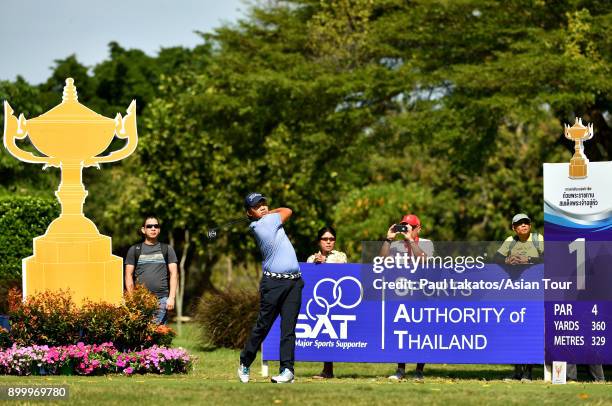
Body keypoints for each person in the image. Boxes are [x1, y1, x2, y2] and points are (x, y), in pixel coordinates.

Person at [238, 192, 304, 384]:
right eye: (258, 206)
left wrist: (265, 213)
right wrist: (267, 215)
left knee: (288, 329)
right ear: (250, 212)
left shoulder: (268, 219)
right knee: (263, 326)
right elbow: (287, 210)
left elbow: (284, 211)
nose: (263, 207)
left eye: (264, 203)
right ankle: (245, 362)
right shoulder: (263, 225)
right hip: (274, 284)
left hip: (293, 282)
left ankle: (287, 371)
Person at [380, 214, 434, 382]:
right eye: (403, 225)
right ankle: (401, 369)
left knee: (421, 332)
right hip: (401, 293)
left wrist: (411, 240)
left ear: (418, 228)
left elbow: (424, 261)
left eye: (410, 226)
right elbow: (381, 260)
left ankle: (419, 370)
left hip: (421, 294)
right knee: (401, 331)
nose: (406, 229)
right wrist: (388, 240)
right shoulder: (396, 245)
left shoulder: (426, 243)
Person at [496, 213, 544, 381]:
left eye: (526, 223)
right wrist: (508, 260)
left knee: (530, 332)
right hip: (514, 293)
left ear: (530, 226)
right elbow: (496, 258)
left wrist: (527, 259)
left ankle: (528, 372)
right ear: (513, 227)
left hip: (534, 293)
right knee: (514, 332)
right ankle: (517, 372)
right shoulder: (510, 241)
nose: (523, 225)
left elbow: (548, 258)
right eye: (519, 223)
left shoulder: (538, 239)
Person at [307, 226, 347, 379]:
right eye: (325, 239)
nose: (328, 242)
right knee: (323, 335)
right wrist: (315, 264)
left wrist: (325, 263)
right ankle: (327, 370)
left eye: (331, 239)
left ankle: (328, 369)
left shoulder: (340, 256)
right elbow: (309, 277)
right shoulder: (311, 259)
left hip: (338, 301)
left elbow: (342, 269)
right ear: (319, 241)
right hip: (319, 302)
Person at [125, 215, 179, 325]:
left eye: (156, 226)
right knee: (142, 336)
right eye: (149, 226)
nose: (153, 228)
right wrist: (132, 299)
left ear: (159, 230)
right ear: (143, 230)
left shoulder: (167, 249)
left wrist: (171, 298)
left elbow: (174, 274)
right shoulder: (134, 250)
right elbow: (128, 275)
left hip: (162, 300)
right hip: (140, 301)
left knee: (158, 335)